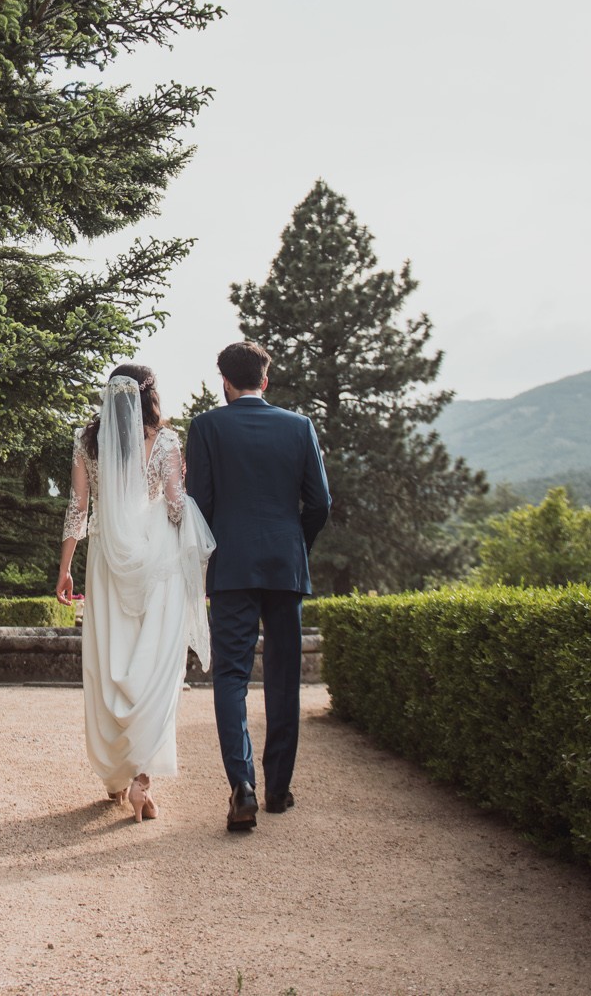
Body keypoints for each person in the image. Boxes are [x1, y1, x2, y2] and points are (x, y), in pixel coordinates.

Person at [56, 365, 215, 821]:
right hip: (157, 562)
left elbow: (77, 509)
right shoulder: (165, 440)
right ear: (151, 396)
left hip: (107, 562)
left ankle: (118, 774)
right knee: (156, 666)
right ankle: (143, 780)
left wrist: (65, 568)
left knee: (111, 663)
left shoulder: (88, 442)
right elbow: (173, 505)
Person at [183, 340, 332, 831]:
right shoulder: (299, 427)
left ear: (224, 381)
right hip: (285, 567)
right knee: (284, 677)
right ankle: (278, 789)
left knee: (230, 675)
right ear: (265, 380)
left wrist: (207, 560)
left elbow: (197, 505)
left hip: (231, 568)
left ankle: (240, 784)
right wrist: (296, 543)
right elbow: (320, 502)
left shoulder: (205, 428)